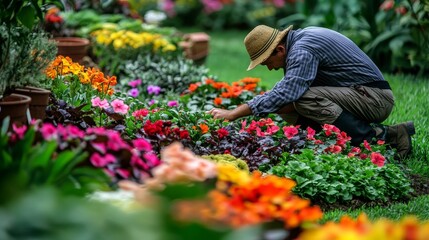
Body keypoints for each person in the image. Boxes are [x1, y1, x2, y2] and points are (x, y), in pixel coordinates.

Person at [207, 25, 415, 159]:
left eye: (267, 62)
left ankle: (384, 136)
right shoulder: (299, 43)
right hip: (362, 95)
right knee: (289, 104)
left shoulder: (302, 50)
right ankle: (320, 143)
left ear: (279, 50)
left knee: (302, 98)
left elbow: (289, 92)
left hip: (375, 99)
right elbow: (285, 97)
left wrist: (234, 113)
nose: (270, 68)